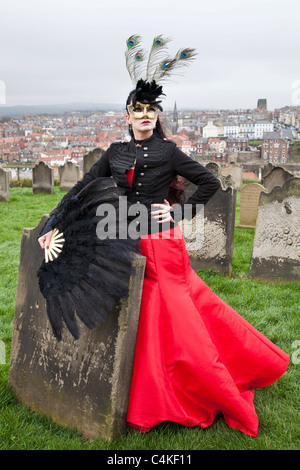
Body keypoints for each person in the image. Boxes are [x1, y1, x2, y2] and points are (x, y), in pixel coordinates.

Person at [38, 35, 289, 437]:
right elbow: (82, 187)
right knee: (146, 318)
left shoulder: (169, 151)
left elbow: (207, 183)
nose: (145, 116)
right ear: (127, 115)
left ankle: (213, 386)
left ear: (157, 115)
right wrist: (52, 221)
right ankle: (151, 394)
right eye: (138, 110)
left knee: (177, 317)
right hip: (123, 240)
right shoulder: (115, 153)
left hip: (162, 245)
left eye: (151, 110)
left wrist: (179, 210)